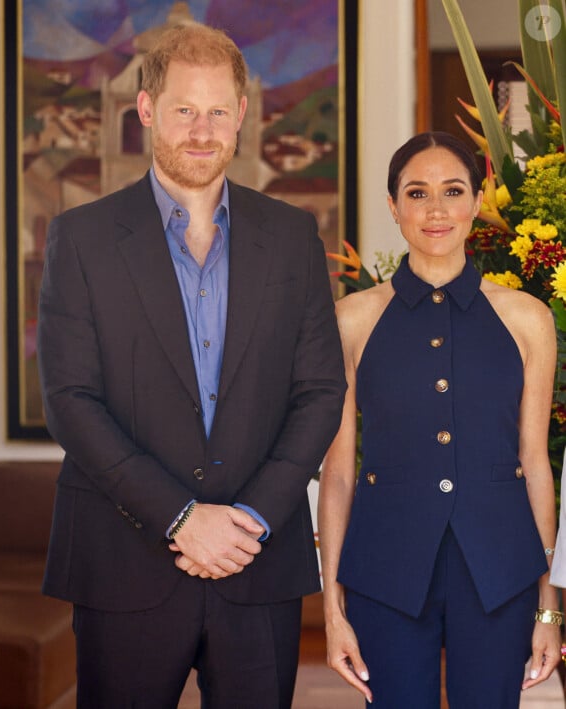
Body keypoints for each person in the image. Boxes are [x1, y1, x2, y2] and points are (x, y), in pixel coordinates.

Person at [37, 22, 346, 709]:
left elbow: (321, 391)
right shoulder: (81, 238)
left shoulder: (294, 237)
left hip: (256, 561)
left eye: (216, 111)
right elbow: (71, 399)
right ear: (146, 110)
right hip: (123, 561)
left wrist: (250, 519)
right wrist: (182, 517)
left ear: (241, 115)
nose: (201, 131)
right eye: (183, 110)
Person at [318, 131, 561, 708]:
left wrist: (549, 607)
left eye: (453, 191)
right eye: (417, 193)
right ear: (393, 206)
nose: (435, 209)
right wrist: (332, 609)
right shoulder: (350, 320)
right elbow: (338, 474)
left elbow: (536, 463)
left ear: (477, 202)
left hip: (501, 575)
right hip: (385, 573)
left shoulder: (528, 319)